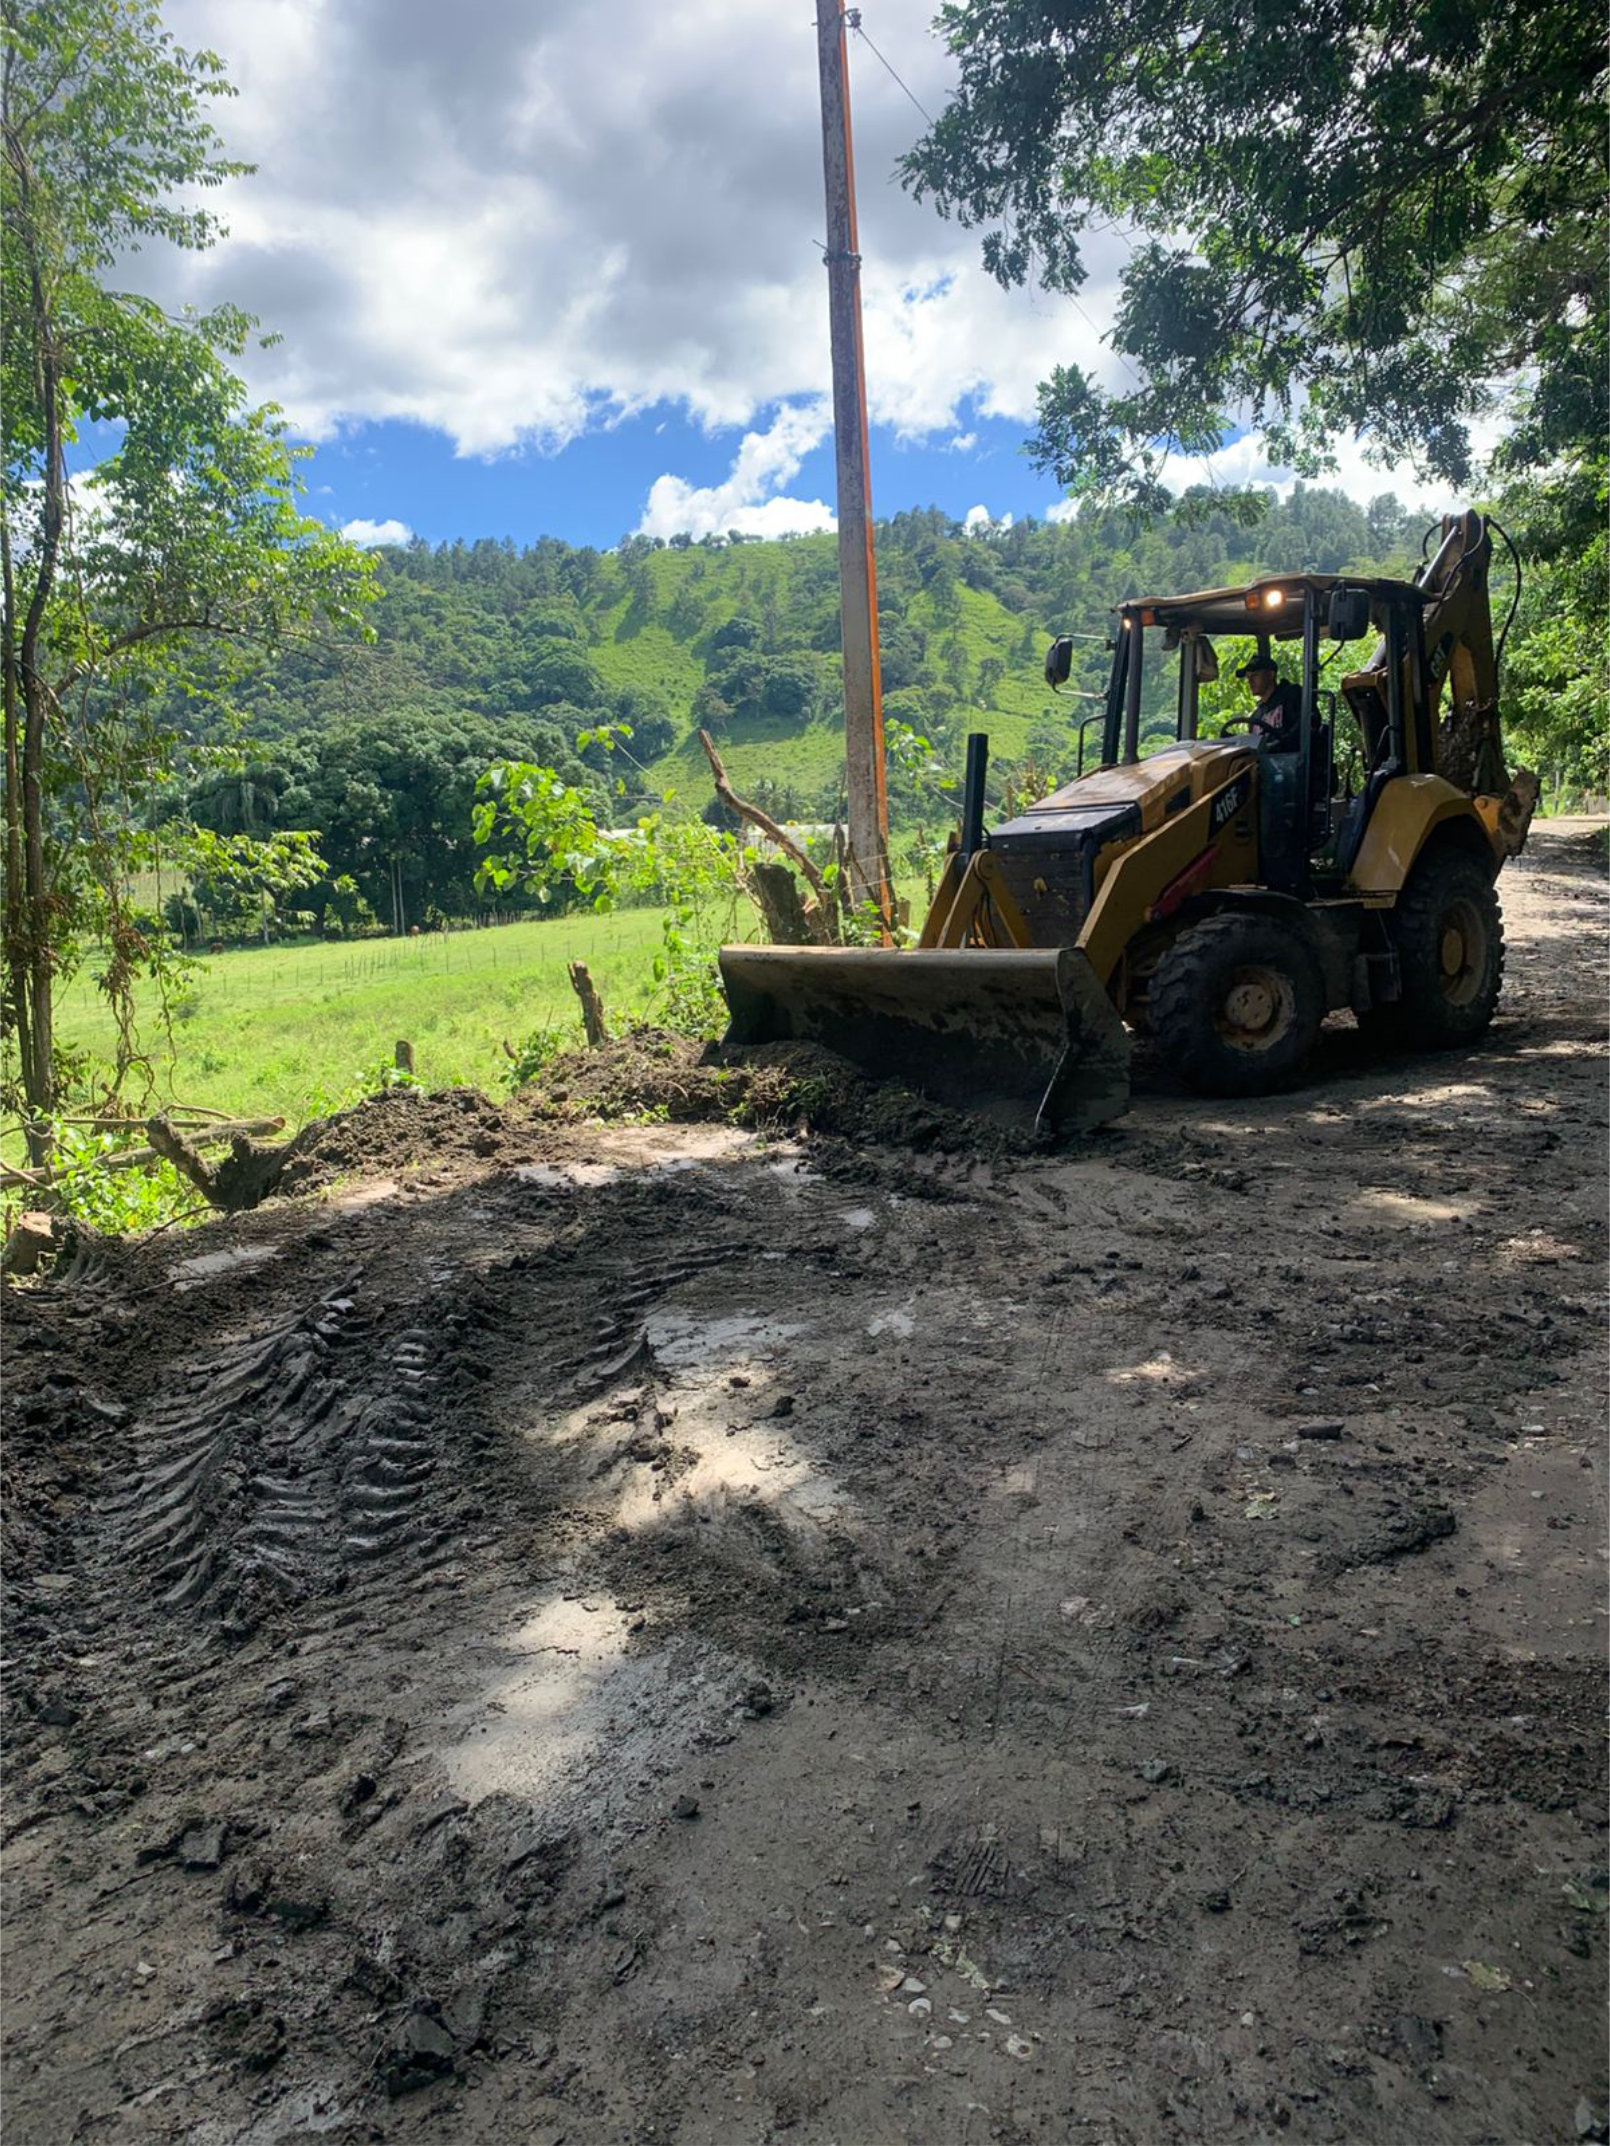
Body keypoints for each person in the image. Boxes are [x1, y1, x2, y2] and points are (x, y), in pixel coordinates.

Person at [1237, 655, 1304, 751]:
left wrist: (1278, 743)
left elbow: (1308, 724)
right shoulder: (1256, 716)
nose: (1250, 681)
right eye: (1248, 677)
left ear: (1271, 675)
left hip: (1290, 760)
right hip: (1264, 763)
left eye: (1255, 675)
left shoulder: (1291, 695)